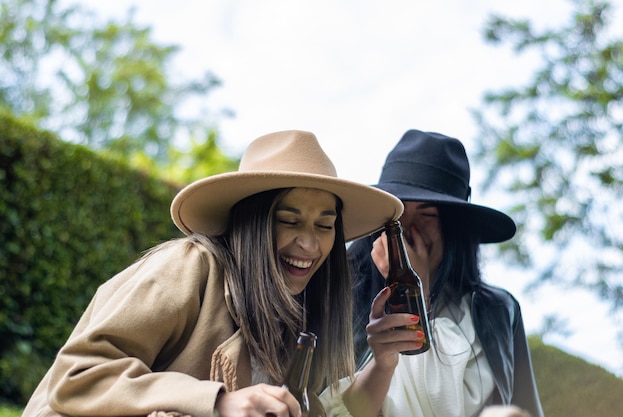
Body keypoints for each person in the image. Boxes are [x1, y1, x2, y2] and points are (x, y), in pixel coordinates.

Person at [22, 130, 403, 417]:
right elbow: (77, 376)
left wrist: (383, 359)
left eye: (324, 226)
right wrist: (218, 402)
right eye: (289, 221)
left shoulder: (298, 318)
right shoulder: (190, 266)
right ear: (252, 224)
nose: (309, 244)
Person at [321, 130, 544, 417]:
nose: (408, 230)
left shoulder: (498, 309)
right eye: (398, 214)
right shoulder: (340, 299)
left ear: (454, 228)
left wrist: (417, 288)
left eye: (428, 215)